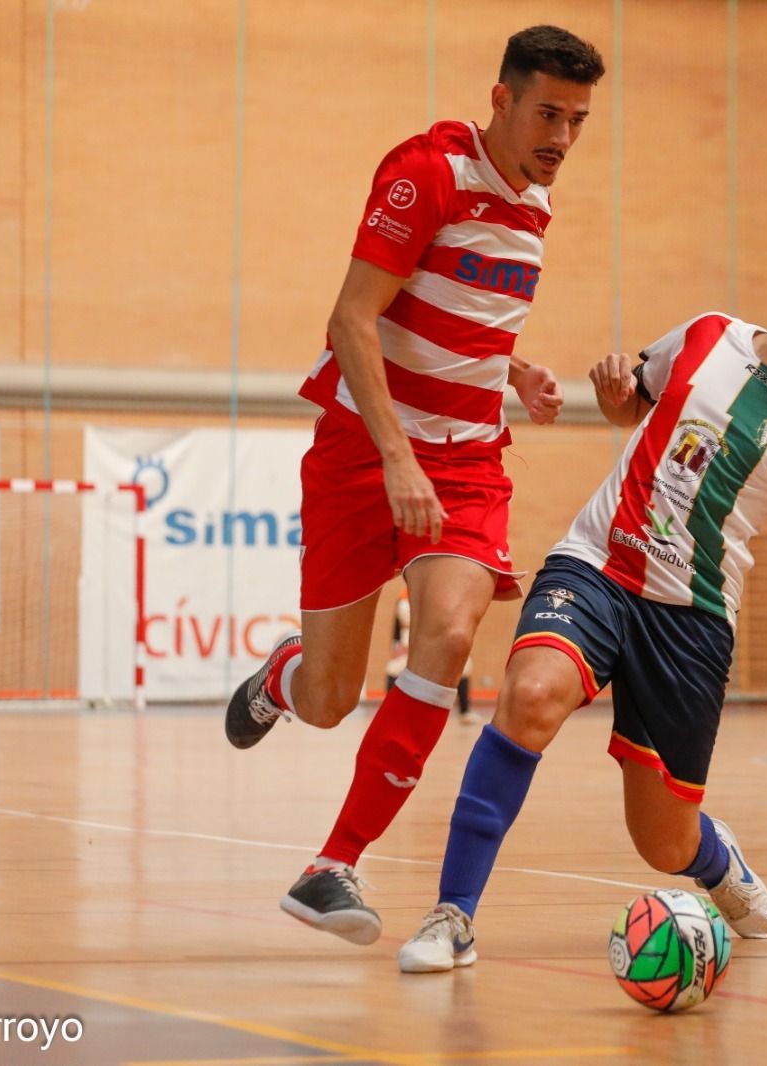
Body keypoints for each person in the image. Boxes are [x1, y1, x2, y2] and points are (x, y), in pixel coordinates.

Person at [395, 236, 767, 973]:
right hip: (597, 564)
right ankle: (452, 915)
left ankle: (717, 861)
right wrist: (613, 396)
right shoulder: (707, 333)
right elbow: (631, 411)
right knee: (529, 696)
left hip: (692, 618)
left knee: (663, 842)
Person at [221, 25, 605, 945]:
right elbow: (352, 320)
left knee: (450, 632)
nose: (561, 137)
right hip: (363, 450)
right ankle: (286, 677)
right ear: (501, 100)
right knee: (329, 699)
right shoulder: (425, 172)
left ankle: (332, 864)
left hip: (468, 461)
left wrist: (515, 371)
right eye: (547, 114)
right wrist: (397, 457)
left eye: (578, 120)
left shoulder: (536, 202)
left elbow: (458, 309)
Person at [386, 586, 477, 724]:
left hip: (433, 639)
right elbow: (396, 626)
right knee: (393, 668)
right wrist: (396, 645)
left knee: (465, 666)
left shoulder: (437, 593)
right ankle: (391, 711)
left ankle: (465, 711)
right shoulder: (402, 597)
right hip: (407, 642)